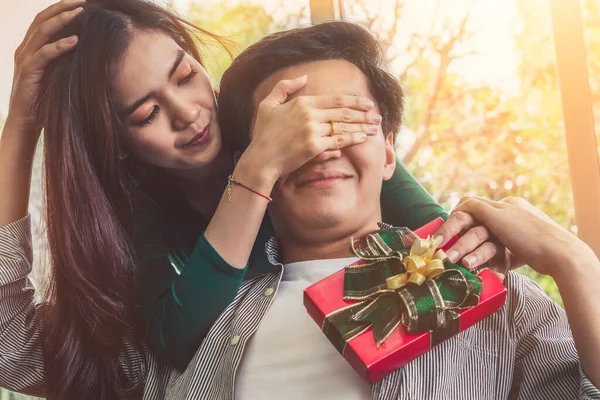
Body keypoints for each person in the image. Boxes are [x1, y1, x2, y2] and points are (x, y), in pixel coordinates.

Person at [0, 1, 495, 399]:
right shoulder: (138, 212)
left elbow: (448, 248)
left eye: (185, 75)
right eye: (148, 112)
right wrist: (20, 129)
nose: (188, 113)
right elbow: (166, 340)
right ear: (118, 144)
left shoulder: (287, 121)